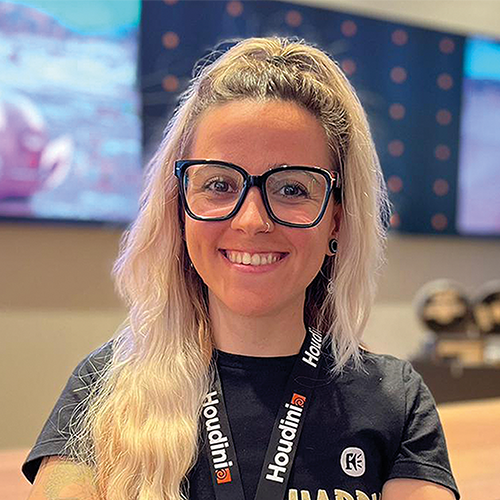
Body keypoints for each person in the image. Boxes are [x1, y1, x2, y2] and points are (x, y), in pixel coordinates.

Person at [23, 37, 459, 500]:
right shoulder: (105, 386)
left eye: (292, 189)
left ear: (336, 218)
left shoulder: (395, 399)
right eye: (218, 184)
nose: (251, 221)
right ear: (179, 207)